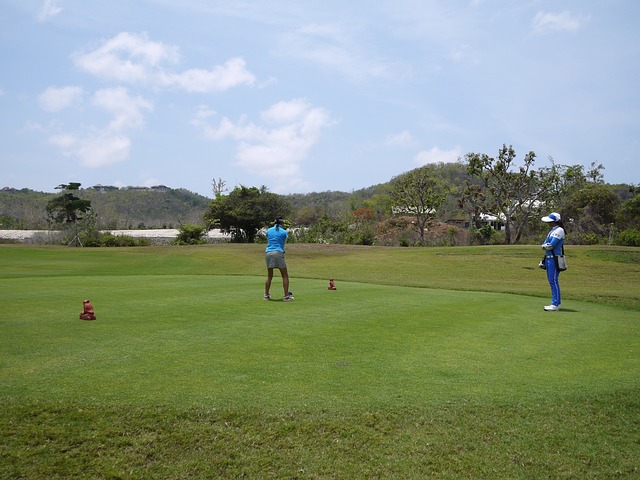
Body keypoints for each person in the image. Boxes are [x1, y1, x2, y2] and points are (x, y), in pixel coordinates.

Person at [264, 217, 294, 302]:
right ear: (282, 224)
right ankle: (286, 296)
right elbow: (283, 242)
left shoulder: (269, 230)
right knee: (284, 275)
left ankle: (266, 295)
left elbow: (269, 239)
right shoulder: (284, 232)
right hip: (278, 252)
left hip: (268, 253)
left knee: (270, 275)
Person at [540, 212, 565, 311]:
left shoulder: (559, 230)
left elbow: (550, 245)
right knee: (552, 281)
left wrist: (544, 246)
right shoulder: (552, 231)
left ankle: (555, 304)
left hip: (554, 259)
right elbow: (545, 244)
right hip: (549, 258)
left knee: (553, 281)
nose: (548, 223)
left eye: (550, 221)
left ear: (555, 221)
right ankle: (556, 303)